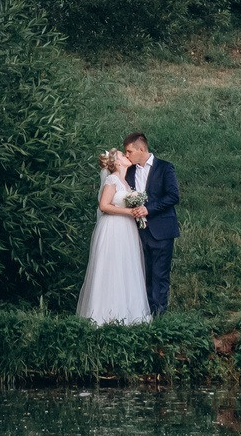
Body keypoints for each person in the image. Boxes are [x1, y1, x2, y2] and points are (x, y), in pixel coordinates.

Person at [76, 149, 151, 325]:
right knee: (111, 267)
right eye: (122, 155)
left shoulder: (125, 182)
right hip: (113, 228)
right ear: (117, 163)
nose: (126, 156)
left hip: (127, 229)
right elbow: (103, 205)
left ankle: (128, 314)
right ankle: (104, 314)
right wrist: (129, 211)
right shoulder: (112, 180)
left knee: (126, 267)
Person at [122, 133, 179, 316]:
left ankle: (159, 315)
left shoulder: (164, 168)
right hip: (138, 231)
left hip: (161, 230)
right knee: (143, 274)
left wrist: (148, 209)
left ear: (141, 149)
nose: (127, 155)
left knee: (160, 274)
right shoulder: (129, 171)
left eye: (129, 151)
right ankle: (144, 312)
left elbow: (173, 196)